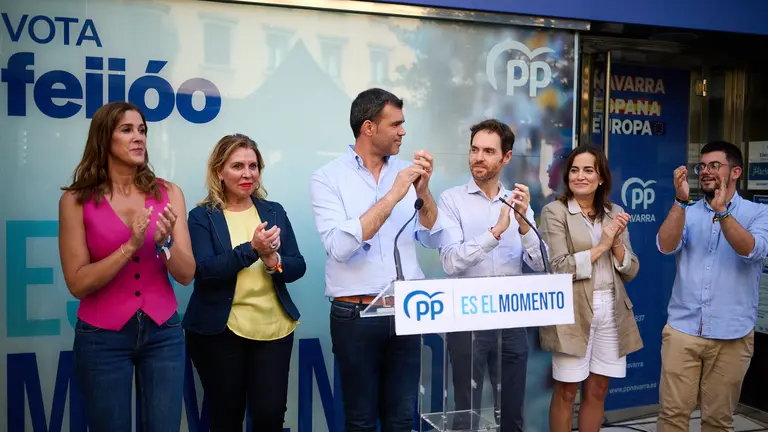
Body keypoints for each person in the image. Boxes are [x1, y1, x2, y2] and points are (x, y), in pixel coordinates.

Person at [310, 88, 444, 431]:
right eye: (395, 124)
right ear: (368, 128)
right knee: (360, 420)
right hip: (355, 313)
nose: (403, 131)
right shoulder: (327, 178)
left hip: (406, 311)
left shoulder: (407, 173)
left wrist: (423, 191)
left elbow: (434, 235)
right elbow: (339, 247)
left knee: (402, 419)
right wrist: (394, 193)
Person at [58, 101, 195, 431]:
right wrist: (130, 246)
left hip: (164, 334)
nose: (139, 138)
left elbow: (187, 274)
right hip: (102, 338)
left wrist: (164, 245)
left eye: (142, 130)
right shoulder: (75, 201)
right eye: (127, 130)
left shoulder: (169, 193)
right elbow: (77, 283)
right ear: (104, 139)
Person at [423, 119, 547, 431]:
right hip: (468, 321)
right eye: (474, 150)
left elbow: (543, 264)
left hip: (511, 320)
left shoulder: (518, 200)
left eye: (488, 151)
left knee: (512, 414)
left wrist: (522, 225)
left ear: (506, 158)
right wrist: (495, 233)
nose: (479, 157)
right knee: (465, 413)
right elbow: (450, 261)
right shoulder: (452, 200)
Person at [184, 134, 306, 431]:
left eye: (253, 166)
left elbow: (297, 265)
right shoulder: (202, 217)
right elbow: (205, 271)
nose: (248, 173)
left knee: (270, 416)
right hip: (220, 332)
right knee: (226, 417)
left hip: (273, 329)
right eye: (237, 166)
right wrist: (252, 250)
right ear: (219, 172)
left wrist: (272, 261)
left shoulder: (273, 210)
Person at [656, 140, 768, 431]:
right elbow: (665, 246)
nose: (705, 171)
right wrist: (680, 203)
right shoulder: (688, 212)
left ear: (736, 172)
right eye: (702, 166)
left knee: (718, 421)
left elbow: (752, 250)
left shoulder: (758, 214)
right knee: (671, 416)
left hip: (732, 334)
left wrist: (723, 213)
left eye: (714, 165)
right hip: (683, 330)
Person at [538, 145, 642, 432]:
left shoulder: (615, 212)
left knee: (598, 389)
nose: (579, 176)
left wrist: (617, 243)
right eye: (574, 170)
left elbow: (631, 270)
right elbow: (558, 267)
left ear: (601, 178)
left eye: (588, 170)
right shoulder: (554, 211)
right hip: (572, 309)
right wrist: (603, 246)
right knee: (567, 391)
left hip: (612, 308)